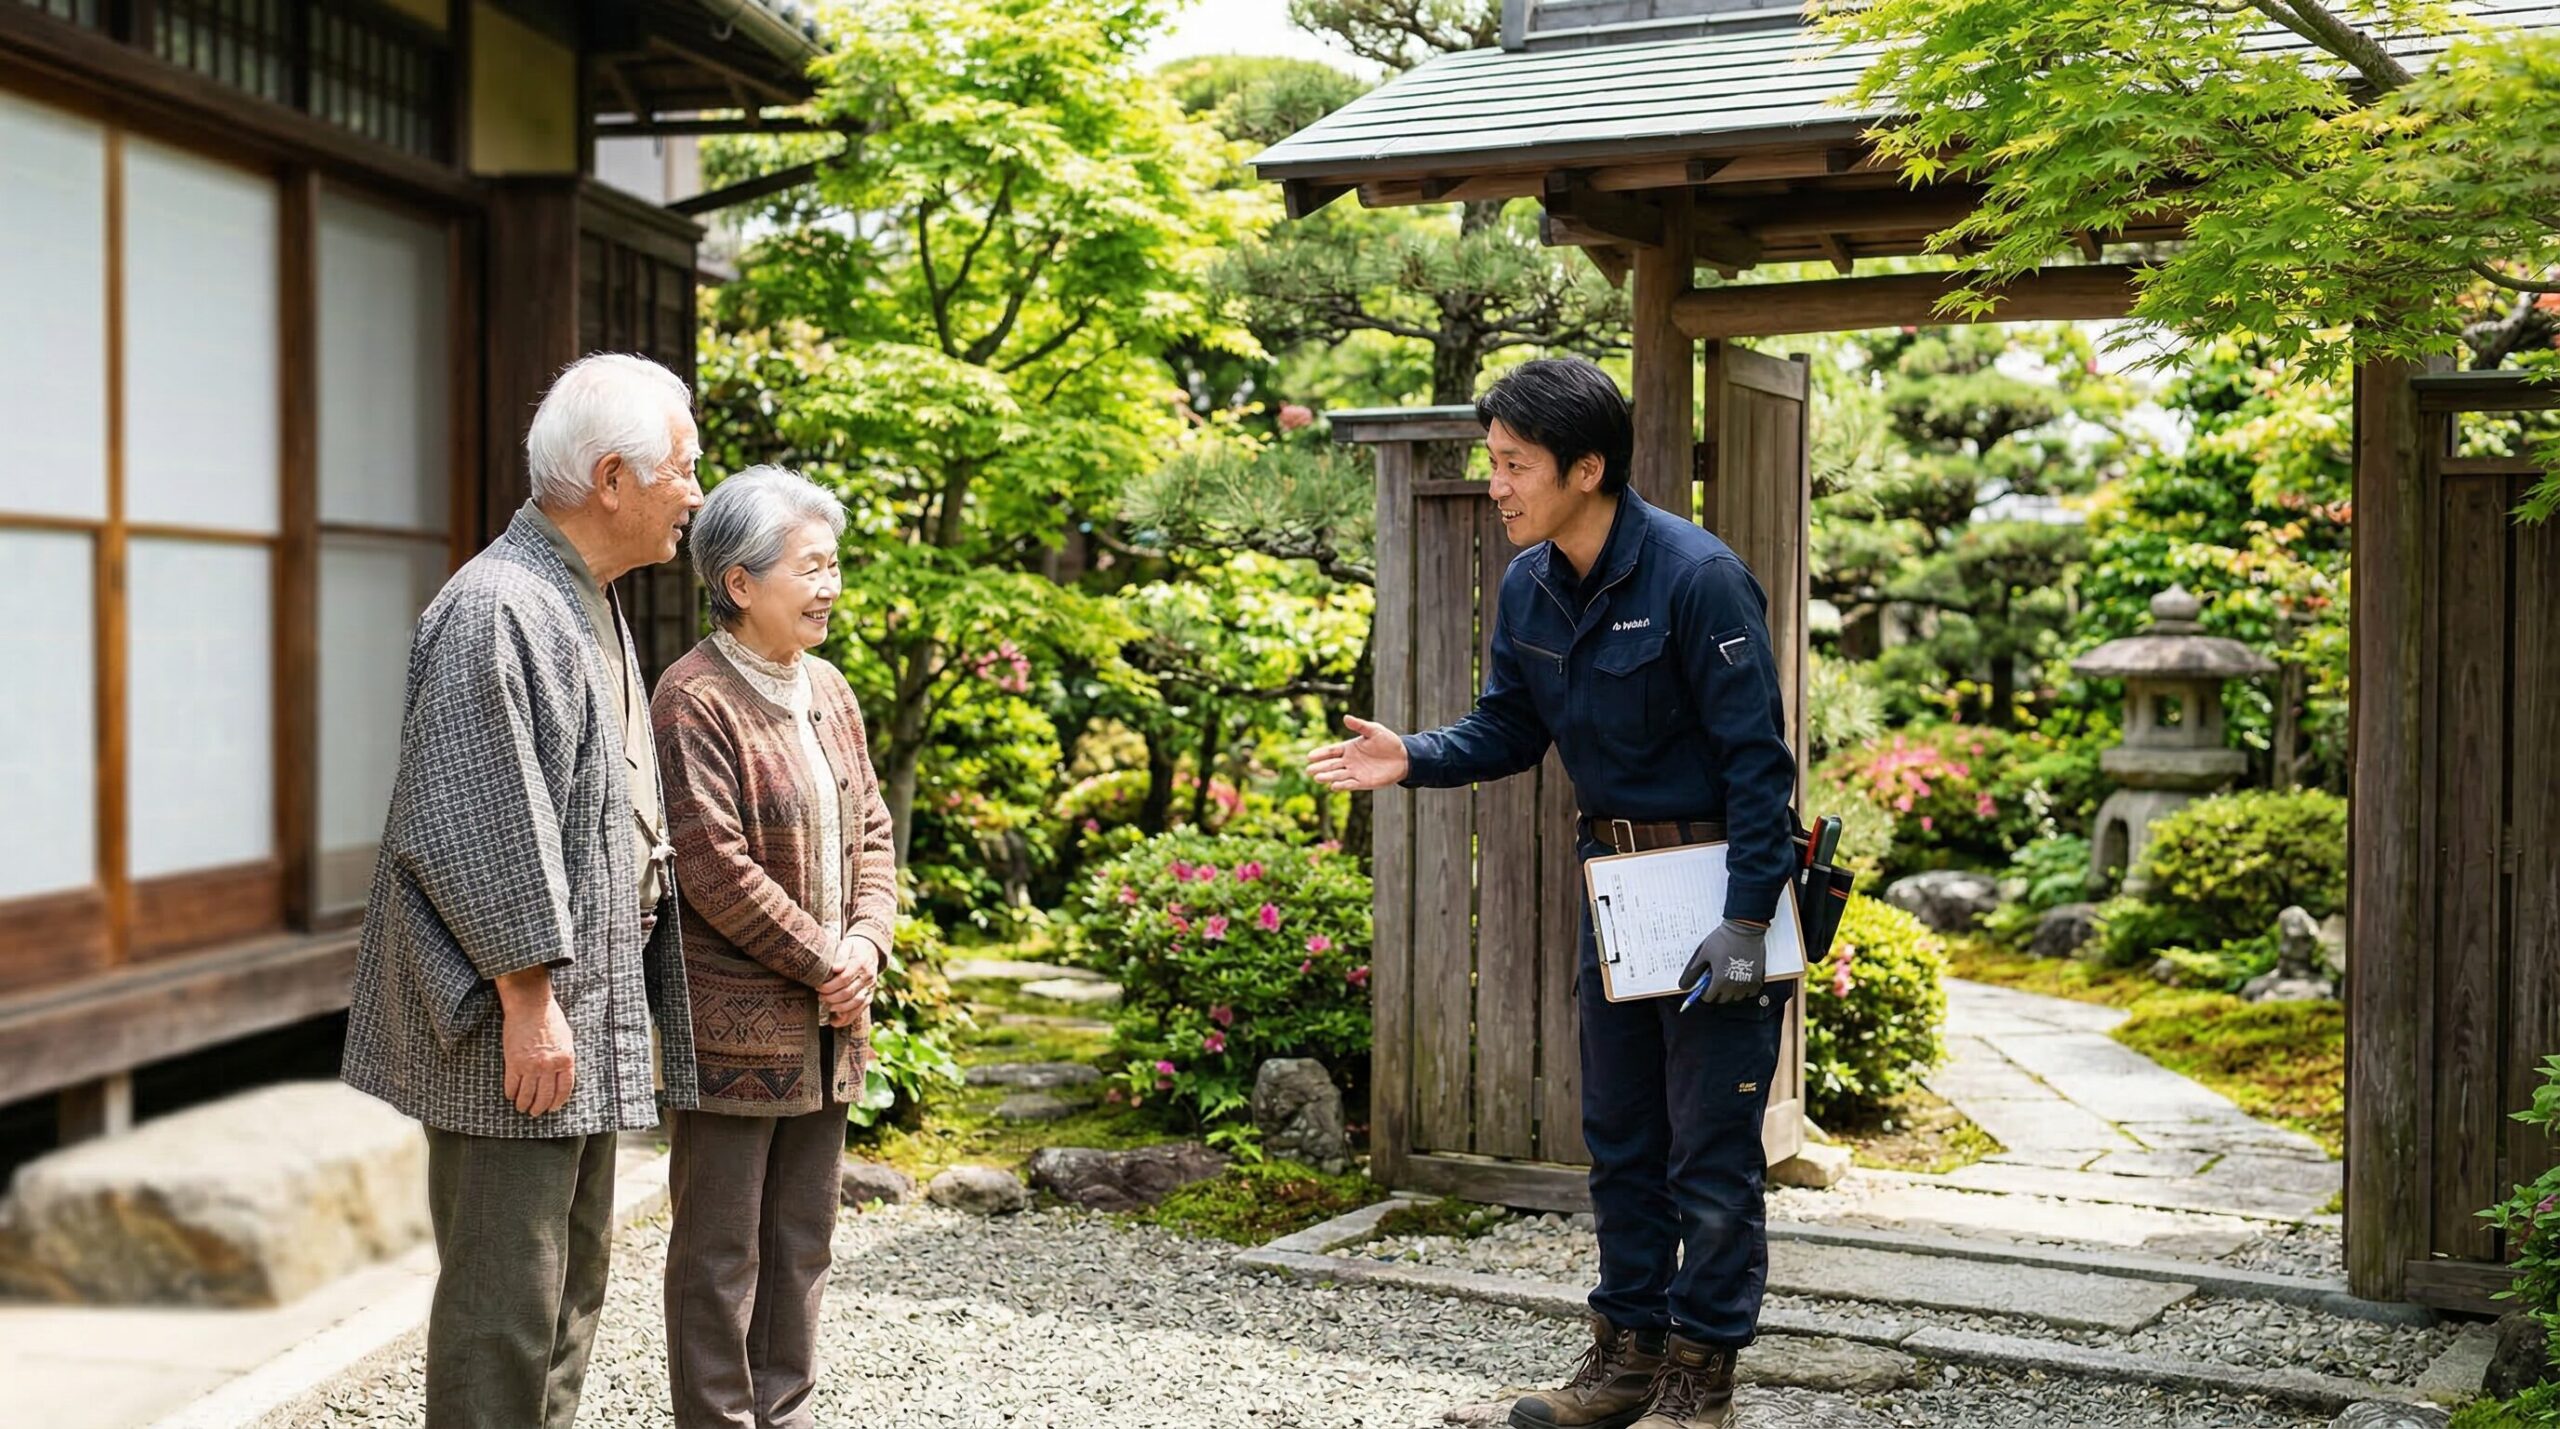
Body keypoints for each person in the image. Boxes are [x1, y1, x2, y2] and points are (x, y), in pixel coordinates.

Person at [1308, 358, 1798, 1429]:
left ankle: (1696, 1384)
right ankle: (1621, 1362)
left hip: (1719, 890)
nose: (1497, 484)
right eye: (1492, 462)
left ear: (1588, 467)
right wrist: (1413, 755)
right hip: (1619, 894)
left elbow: (1761, 763)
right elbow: (1508, 729)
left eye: (1514, 464)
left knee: (1708, 1151)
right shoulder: (1530, 583)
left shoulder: (1695, 576)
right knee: (1619, 1137)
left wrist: (1750, 918)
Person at [342, 352, 704, 1429]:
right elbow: (471, 820)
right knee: (506, 1307)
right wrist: (529, 1001)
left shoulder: (577, 595)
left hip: (568, 1007)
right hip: (518, 1021)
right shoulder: (501, 604)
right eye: (682, 467)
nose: (695, 489)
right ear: (611, 477)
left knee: (565, 1293)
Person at [652, 466, 897, 1429]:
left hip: (833, 1021)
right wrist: (826, 959)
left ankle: (784, 1413)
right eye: (812, 566)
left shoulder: (829, 687)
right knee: (719, 1254)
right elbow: (713, 865)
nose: (830, 585)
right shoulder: (693, 696)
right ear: (741, 581)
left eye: (835, 565)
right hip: (733, 1032)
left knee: (802, 1238)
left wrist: (868, 943)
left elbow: (872, 827)